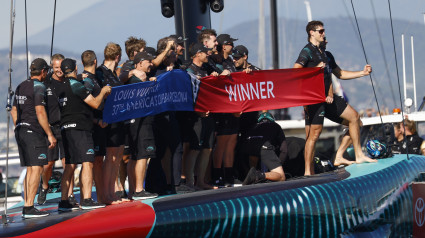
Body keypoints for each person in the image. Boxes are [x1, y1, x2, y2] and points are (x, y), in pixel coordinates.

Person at [294, 21, 376, 175]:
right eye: (321, 31)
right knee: (314, 135)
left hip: (329, 99)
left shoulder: (326, 54)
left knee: (355, 118)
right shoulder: (307, 51)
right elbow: (295, 71)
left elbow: (340, 74)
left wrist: (362, 73)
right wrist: (313, 70)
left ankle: (355, 155)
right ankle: (307, 172)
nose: (324, 34)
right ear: (312, 32)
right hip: (315, 99)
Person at [57, 58, 111, 211]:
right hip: (80, 129)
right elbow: (95, 103)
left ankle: (63, 201)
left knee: (70, 165)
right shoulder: (76, 86)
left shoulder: (62, 87)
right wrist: (103, 92)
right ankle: (86, 199)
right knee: (88, 162)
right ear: (75, 68)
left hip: (66, 129)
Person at [11, 58, 57, 218]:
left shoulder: (21, 85)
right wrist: (50, 134)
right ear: (43, 71)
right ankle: (29, 207)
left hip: (21, 131)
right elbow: (40, 112)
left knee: (31, 169)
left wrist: (19, 126)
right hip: (33, 132)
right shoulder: (39, 86)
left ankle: (27, 205)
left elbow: (13, 110)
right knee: (37, 168)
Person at [38, 54, 76, 206]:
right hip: (51, 128)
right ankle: (45, 186)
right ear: (51, 68)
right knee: (48, 164)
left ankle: (69, 193)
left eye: (61, 67)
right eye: (56, 68)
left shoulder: (69, 81)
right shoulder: (45, 83)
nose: (59, 70)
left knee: (69, 163)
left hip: (66, 127)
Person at [183, 43, 218, 190]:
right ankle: (190, 181)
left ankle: (201, 180)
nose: (207, 54)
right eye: (205, 52)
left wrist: (216, 76)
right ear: (197, 54)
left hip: (209, 114)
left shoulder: (206, 69)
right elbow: (187, 95)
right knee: (195, 148)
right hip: (196, 116)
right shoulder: (189, 71)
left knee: (208, 148)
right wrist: (197, 111)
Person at [96, 42, 126, 204]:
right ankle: (107, 193)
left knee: (117, 156)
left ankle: (113, 192)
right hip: (109, 120)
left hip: (119, 118)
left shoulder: (114, 74)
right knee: (111, 157)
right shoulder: (101, 73)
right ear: (117, 56)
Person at [125, 51, 159, 200]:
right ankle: (139, 189)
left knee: (134, 156)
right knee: (142, 156)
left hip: (134, 121)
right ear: (139, 63)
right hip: (141, 121)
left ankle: (134, 190)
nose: (151, 64)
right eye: (148, 62)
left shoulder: (133, 78)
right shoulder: (137, 79)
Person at [80, 50, 108, 203]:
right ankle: (93, 197)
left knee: (99, 161)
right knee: (92, 163)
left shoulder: (95, 78)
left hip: (100, 126)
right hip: (93, 127)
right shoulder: (87, 81)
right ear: (95, 61)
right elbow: (86, 105)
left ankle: (102, 195)